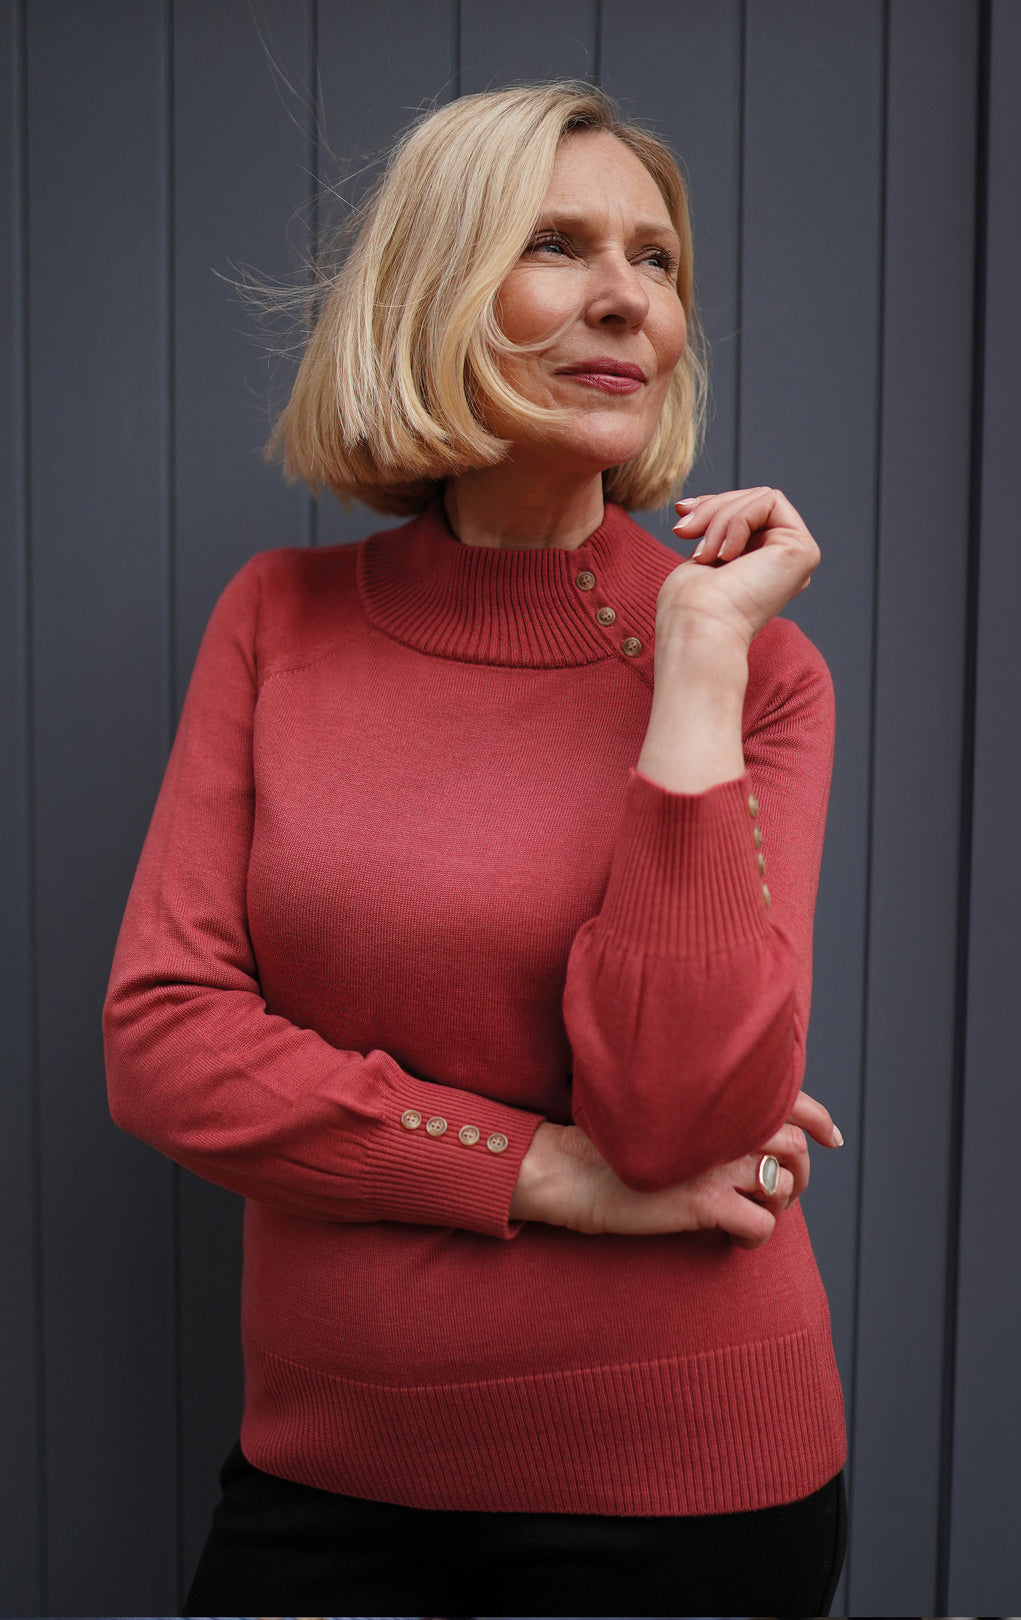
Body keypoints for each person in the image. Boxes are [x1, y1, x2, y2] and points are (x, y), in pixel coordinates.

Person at [104, 80, 848, 1616]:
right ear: (436, 288)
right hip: (324, 1470)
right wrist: (540, 1170)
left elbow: (679, 1117)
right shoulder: (277, 622)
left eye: (655, 260)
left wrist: (695, 661)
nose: (625, 299)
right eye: (557, 245)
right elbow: (166, 1046)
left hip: (679, 1486)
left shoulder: (757, 671)